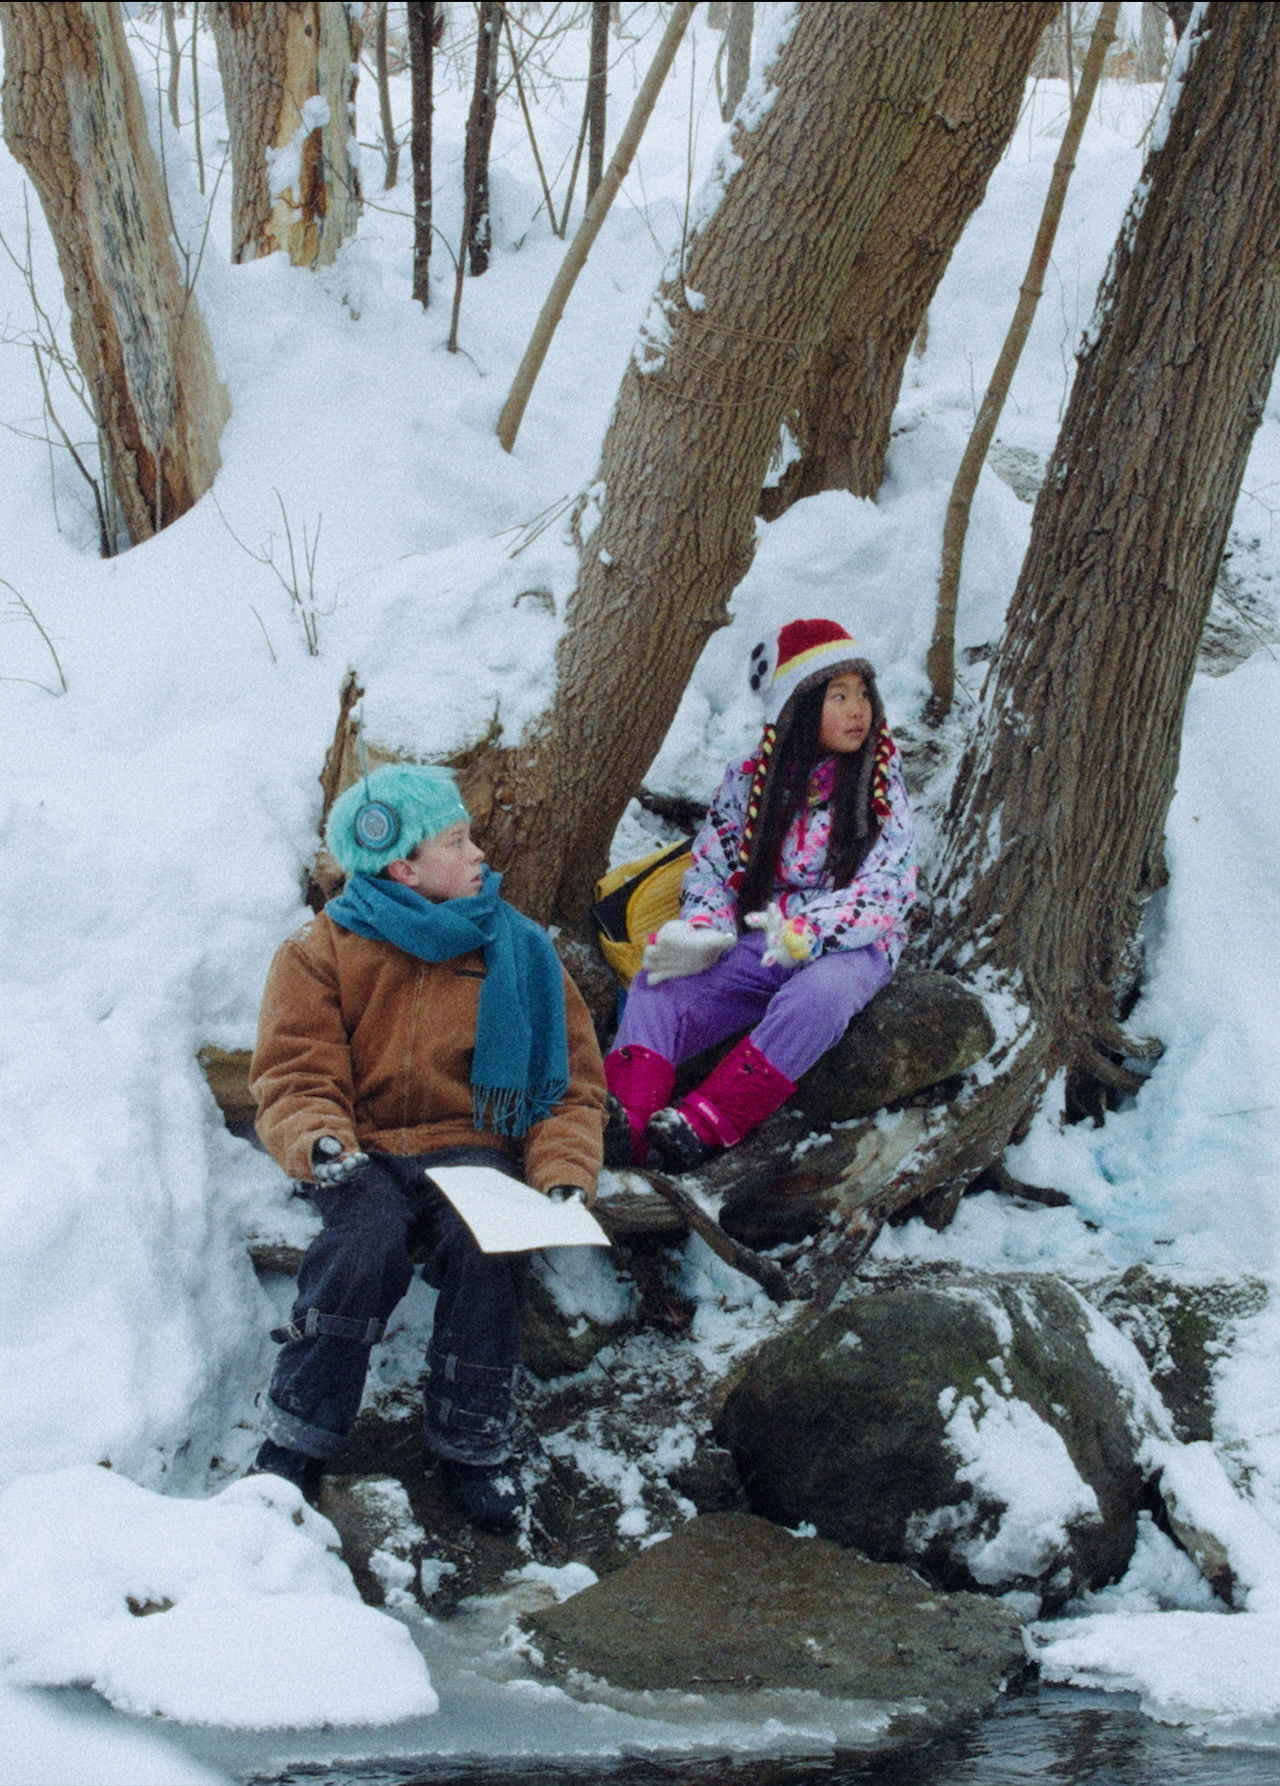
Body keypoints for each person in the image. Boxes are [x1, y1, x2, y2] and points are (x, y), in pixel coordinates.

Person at [249, 763, 605, 1530]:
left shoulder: (519, 948)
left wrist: (563, 1170)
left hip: (471, 1148)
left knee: (489, 1251)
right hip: (366, 1150)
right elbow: (295, 1071)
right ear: (403, 867)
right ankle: (299, 1430)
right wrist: (320, 1141)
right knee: (363, 1244)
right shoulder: (321, 950)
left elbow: (568, 1084)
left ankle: (472, 1438)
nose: (479, 853)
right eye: (456, 841)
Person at [605, 617, 916, 1174]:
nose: (857, 710)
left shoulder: (881, 780)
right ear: (797, 708)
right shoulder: (749, 780)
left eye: (863, 693)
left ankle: (705, 1123)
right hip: (764, 936)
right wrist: (703, 929)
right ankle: (624, 1121)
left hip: (852, 945)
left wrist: (812, 931)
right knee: (659, 982)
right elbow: (713, 864)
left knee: (816, 999)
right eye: (839, 696)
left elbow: (887, 885)